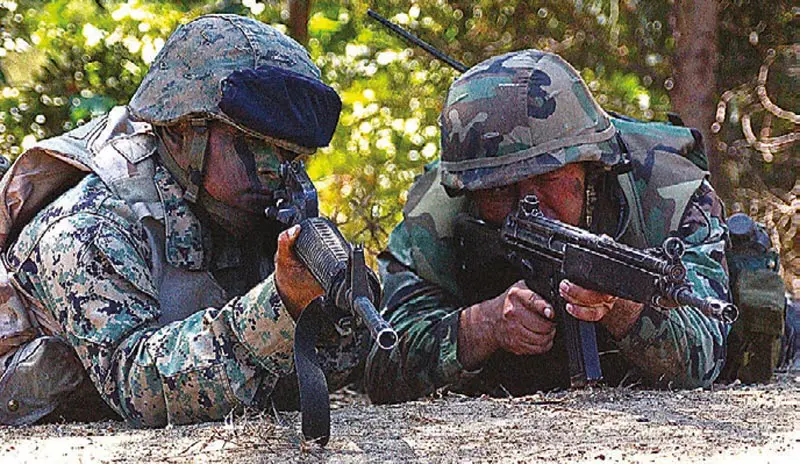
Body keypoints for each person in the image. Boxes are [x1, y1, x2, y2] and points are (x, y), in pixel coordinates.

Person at [0, 14, 366, 426]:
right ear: (179, 132)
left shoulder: (247, 209)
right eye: (250, 143)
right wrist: (280, 305)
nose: (273, 169)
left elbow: (323, 371)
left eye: (290, 154)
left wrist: (335, 308)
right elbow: (140, 386)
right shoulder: (89, 226)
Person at [365, 49, 731, 403]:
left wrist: (622, 305)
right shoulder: (438, 213)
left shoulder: (669, 191)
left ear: (590, 167)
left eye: (550, 178)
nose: (530, 205)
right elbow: (382, 363)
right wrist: (483, 326)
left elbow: (705, 353)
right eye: (499, 190)